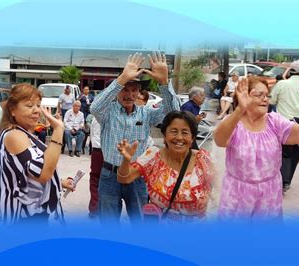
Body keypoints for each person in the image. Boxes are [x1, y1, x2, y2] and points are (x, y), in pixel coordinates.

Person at [90, 52, 180, 225]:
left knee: (140, 221)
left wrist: (164, 83)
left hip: (138, 174)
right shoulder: (108, 112)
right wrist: (122, 78)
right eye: (125, 89)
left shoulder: (146, 114)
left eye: (134, 90)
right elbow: (95, 107)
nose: (129, 94)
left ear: (139, 92)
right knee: (108, 224)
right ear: (118, 90)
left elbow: (174, 112)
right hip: (110, 174)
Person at [214, 76, 299, 221]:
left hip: (269, 194)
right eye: (259, 95)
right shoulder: (234, 122)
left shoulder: (274, 121)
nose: (265, 99)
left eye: (267, 95)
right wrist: (239, 110)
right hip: (237, 193)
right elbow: (219, 140)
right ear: (243, 96)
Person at [0, 83, 74, 225]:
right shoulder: (14, 135)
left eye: (38, 105)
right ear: (12, 110)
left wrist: (59, 182)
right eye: (30, 106)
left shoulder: (23, 133)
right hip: (23, 219)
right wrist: (58, 131)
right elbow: (42, 174)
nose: (37, 110)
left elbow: (29, 171)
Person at [116, 111, 213, 222]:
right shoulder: (153, 156)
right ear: (164, 135)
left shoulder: (204, 160)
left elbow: (223, 189)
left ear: (192, 138)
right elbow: (124, 178)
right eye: (174, 131)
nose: (179, 137)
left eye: (185, 132)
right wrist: (126, 160)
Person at [269, 60, 299, 192]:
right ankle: (287, 180)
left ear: (290, 71)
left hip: (284, 122)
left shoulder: (282, 84)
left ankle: (283, 181)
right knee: (296, 154)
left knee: (284, 153)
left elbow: (272, 100)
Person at [88, 114, 102, 218]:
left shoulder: (96, 118)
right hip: (103, 149)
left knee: (95, 179)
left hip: (98, 149)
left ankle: (94, 208)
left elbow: (93, 135)